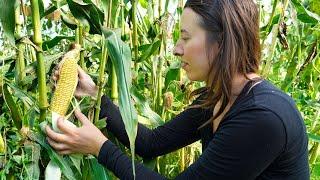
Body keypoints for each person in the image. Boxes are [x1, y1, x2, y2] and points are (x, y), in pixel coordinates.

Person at [46, 0, 310, 179]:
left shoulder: (263, 118)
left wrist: (99, 148)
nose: (176, 49)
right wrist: (95, 96)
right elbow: (151, 143)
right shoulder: (220, 95)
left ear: (221, 42)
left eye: (185, 37)